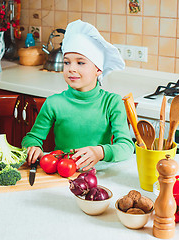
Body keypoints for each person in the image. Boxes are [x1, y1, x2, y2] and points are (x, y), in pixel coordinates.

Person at [22, 20, 134, 171]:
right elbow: (32, 137)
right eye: (67, 62)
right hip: (62, 173)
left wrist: (99, 152)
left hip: (99, 174)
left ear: (98, 69)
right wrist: (33, 147)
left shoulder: (112, 102)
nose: (71, 69)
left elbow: (126, 146)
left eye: (80, 63)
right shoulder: (54, 103)